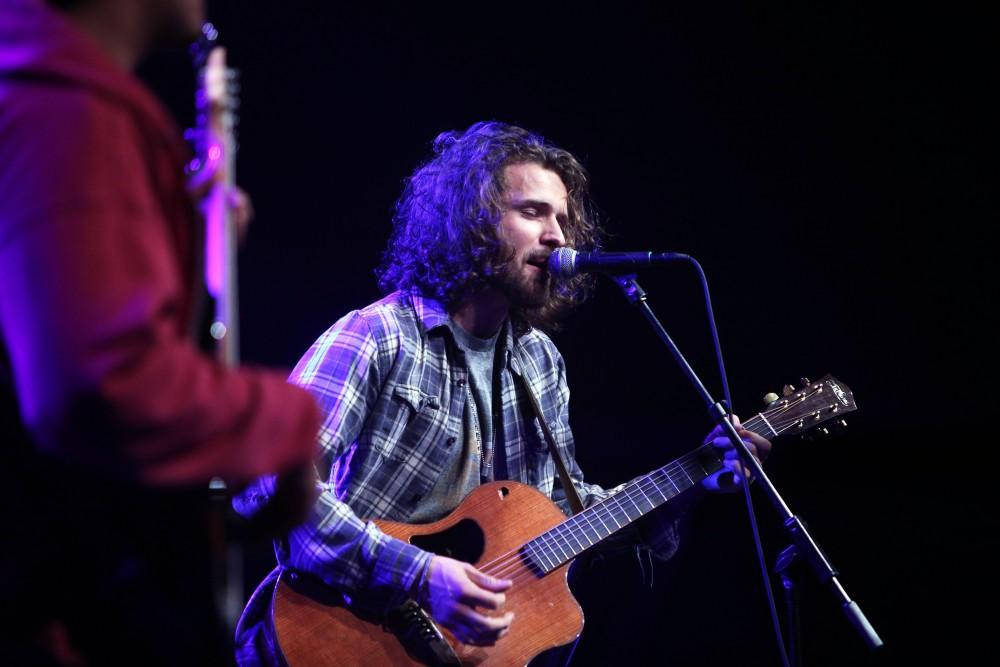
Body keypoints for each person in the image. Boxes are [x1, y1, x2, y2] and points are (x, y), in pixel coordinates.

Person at [234, 121, 770, 664]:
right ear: (471, 224)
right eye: (533, 212)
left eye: (562, 217)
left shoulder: (539, 362)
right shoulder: (379, 335)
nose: (558, 236)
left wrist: (691, 481)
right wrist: (421, 575)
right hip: (340, 635)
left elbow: (561, 516)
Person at [0, 0, 319, 664]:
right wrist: (289, 418)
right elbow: (102, 379)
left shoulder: (41, 92)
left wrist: (163, 238)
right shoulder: (72, 111)